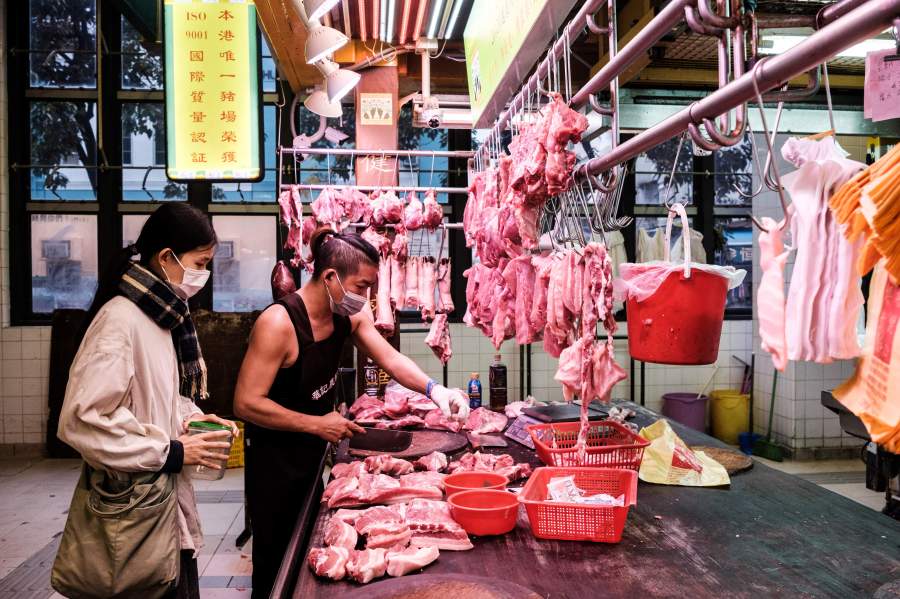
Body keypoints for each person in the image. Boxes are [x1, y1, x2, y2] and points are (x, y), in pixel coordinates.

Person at [234, 228, 469, 597]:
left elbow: (389, 357)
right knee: (276, 559)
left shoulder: (348, 314)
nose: (366, 297)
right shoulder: (279, 324)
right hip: (274, 461)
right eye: (361, 286)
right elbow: (246, 402)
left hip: (313, 451)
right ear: (330, 277)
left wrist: (434, 389)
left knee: (309, 551)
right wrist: (315, 423)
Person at [57, 203, 239, 599]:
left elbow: (157, 396)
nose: (203, 276)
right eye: (200, 262)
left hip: (160, 503)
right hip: (133, 511)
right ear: (165, 258)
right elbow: (83, 420)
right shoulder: (120, 321)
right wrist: (170, 451)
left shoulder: (161, 316)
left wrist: (195, 419)